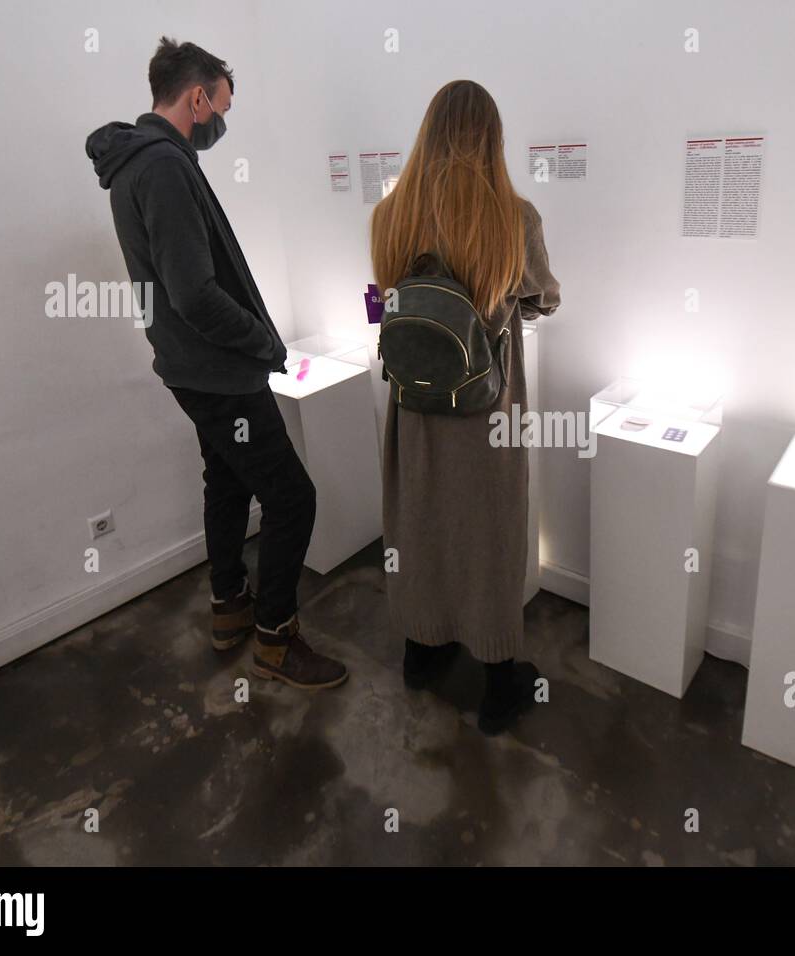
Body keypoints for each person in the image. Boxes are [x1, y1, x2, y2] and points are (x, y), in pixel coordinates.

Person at [85, 37, 346, 690]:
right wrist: (265, 343)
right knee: (293, 500)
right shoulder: (164, 167)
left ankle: (230, 608)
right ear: (197, 97)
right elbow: (194, 292)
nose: (220, 124)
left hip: (188, 370)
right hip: (219, 374)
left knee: (226, 484)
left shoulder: (137, 162)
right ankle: (277, 640)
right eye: (220, 108)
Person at [370, 80, 561, 734]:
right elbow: (543, 297)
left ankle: (423, 651)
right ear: (491, 139)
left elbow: (384, 298)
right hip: (487, 408)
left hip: (414, 404)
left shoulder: (389, 215)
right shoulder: (514, 217)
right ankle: (500, 682)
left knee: (419, 521)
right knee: (492, 534)